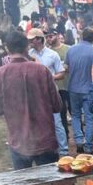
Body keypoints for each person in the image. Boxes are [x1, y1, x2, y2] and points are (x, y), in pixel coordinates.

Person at [0, 30, 61, 185]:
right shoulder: (42, 71)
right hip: (45, 140)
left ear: (7, 49)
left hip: (19, 143)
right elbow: (57, 105)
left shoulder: (0, 74)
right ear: (27, 47)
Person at [27, 28, 68, 157]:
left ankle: (63, 149)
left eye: (32, 39)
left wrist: (49, 77)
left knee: (56, 121)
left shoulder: (52, 54)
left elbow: (61, 73)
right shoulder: (28, 54)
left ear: (39, 39)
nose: (30, 42)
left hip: (50, 92)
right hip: (35, 93)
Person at [65, 28, 93, 154]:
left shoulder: (71, 50)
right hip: (88, 89)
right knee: (90, 118)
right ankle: (89, 146)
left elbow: (67, 68)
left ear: (81, 37)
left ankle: (79, 140)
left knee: (75, 115)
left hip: (73, 88)